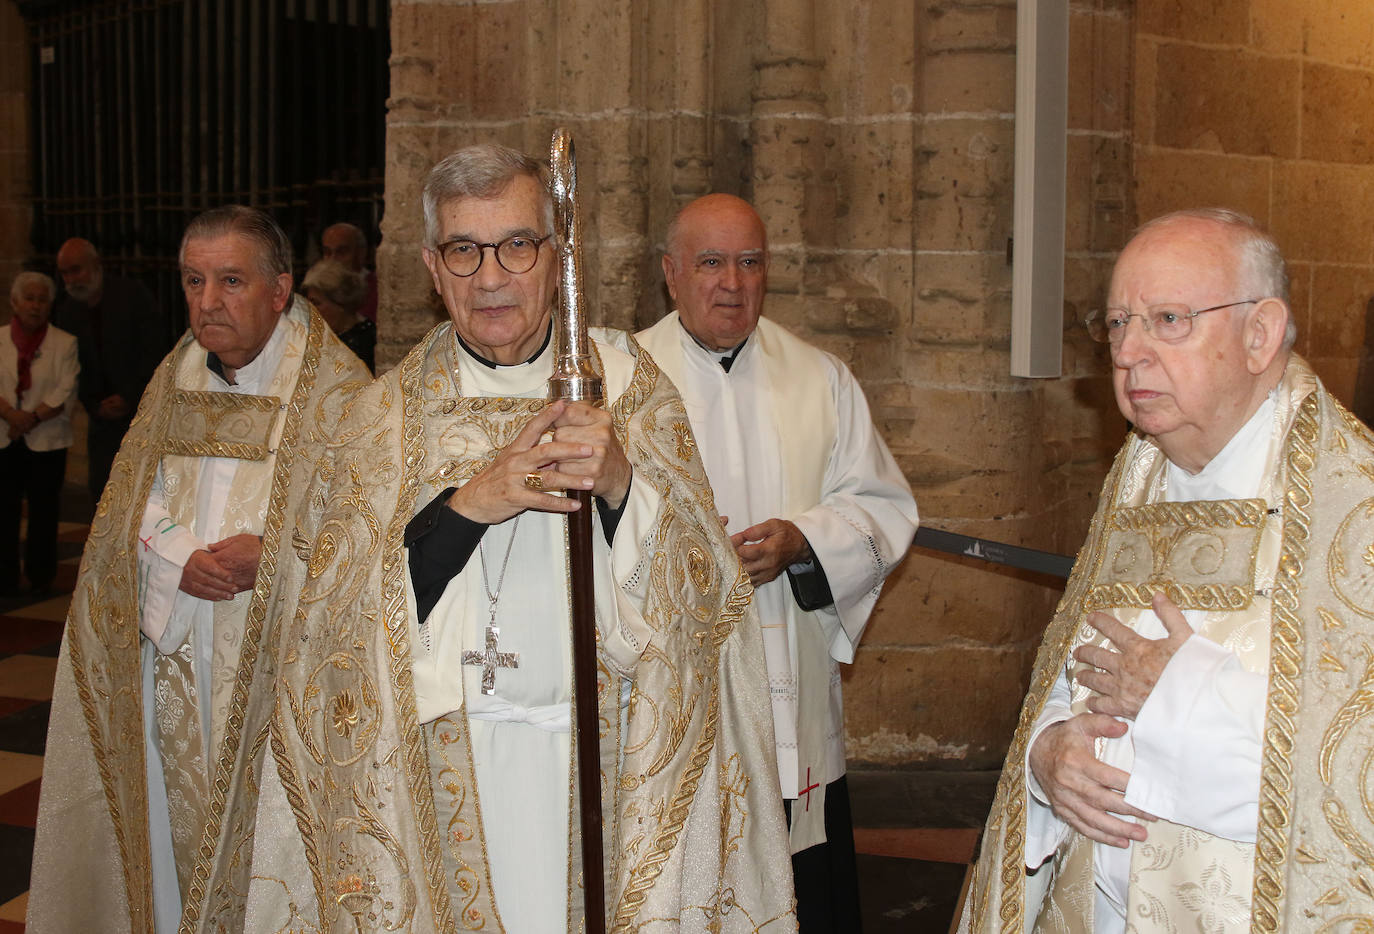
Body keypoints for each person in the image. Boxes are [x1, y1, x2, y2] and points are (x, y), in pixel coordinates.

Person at [267, 144, 795, 931]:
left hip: (607, 764)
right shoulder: (378, 421)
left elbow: (711, 603)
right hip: (446, 768)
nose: (490, 277)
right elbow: (327, 631)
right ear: (430, 267)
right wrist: (465, 509)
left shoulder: (631, 387)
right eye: (463, 250)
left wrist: (620, 483)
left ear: (556, 257)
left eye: (517, 245)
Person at [958, 208, 1374, 933]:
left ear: (1259, 334)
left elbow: (1353, 776)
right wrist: (1049, 754)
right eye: (1118, 323)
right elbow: (1068, 679)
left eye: (1169, 319)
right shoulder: (1140, 481)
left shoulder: (1353, 509)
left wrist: (1178, 693)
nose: (1129, 353)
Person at [27, 206, 372, 933]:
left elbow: (367, 532)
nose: (208, 302)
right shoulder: (174, 379)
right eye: (193, 281)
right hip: (177, 654)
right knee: (173, 837)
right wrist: (179, 557)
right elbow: (128, 505)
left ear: (280, 290)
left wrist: (277, 553)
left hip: (277, 677)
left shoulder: (341, 394)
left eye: (230, 281)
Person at [637, 193, 919, 931]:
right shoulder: (624, 380)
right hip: (673, 688)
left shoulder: (820, 379)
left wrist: (803, 540)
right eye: (711, 263)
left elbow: (884, 506)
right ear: (671, 275)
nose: (732, 282)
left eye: (751, 262)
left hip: (789, 689)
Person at [53, 237, 166, 503]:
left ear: (95, 265)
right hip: (100, 419)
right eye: (65, 273)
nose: (72, 279)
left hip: (141, 412)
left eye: (76, 270)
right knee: (103, 493)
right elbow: (70, 367)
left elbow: (154, 350)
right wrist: (94, 405)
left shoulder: (133, 296)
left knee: (143, 493)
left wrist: (128, 396)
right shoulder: (68, 312)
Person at [0, 272, 78, 595]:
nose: (35, 305)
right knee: (3, 510)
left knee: (44, 510)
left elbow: (66, 387)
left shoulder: (64, 342)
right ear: (15, 302)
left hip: (47, 438)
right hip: (5, 435)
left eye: (42, 299)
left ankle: (40, 574)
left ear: (50, 305)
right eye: (29, 298)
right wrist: (10, 415)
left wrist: (30, 417)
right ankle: (4, 575)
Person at [302, 257, 377, 372]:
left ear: (340, 304)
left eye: (316, 303)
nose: (311, 310)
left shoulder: (366, 342)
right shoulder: (316, 338)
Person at [321, 220, 379, 321]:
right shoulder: (318, 289)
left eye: (341, 252)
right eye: (327, 252)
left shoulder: (376, 289)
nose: (333, 259)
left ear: (361, 253)